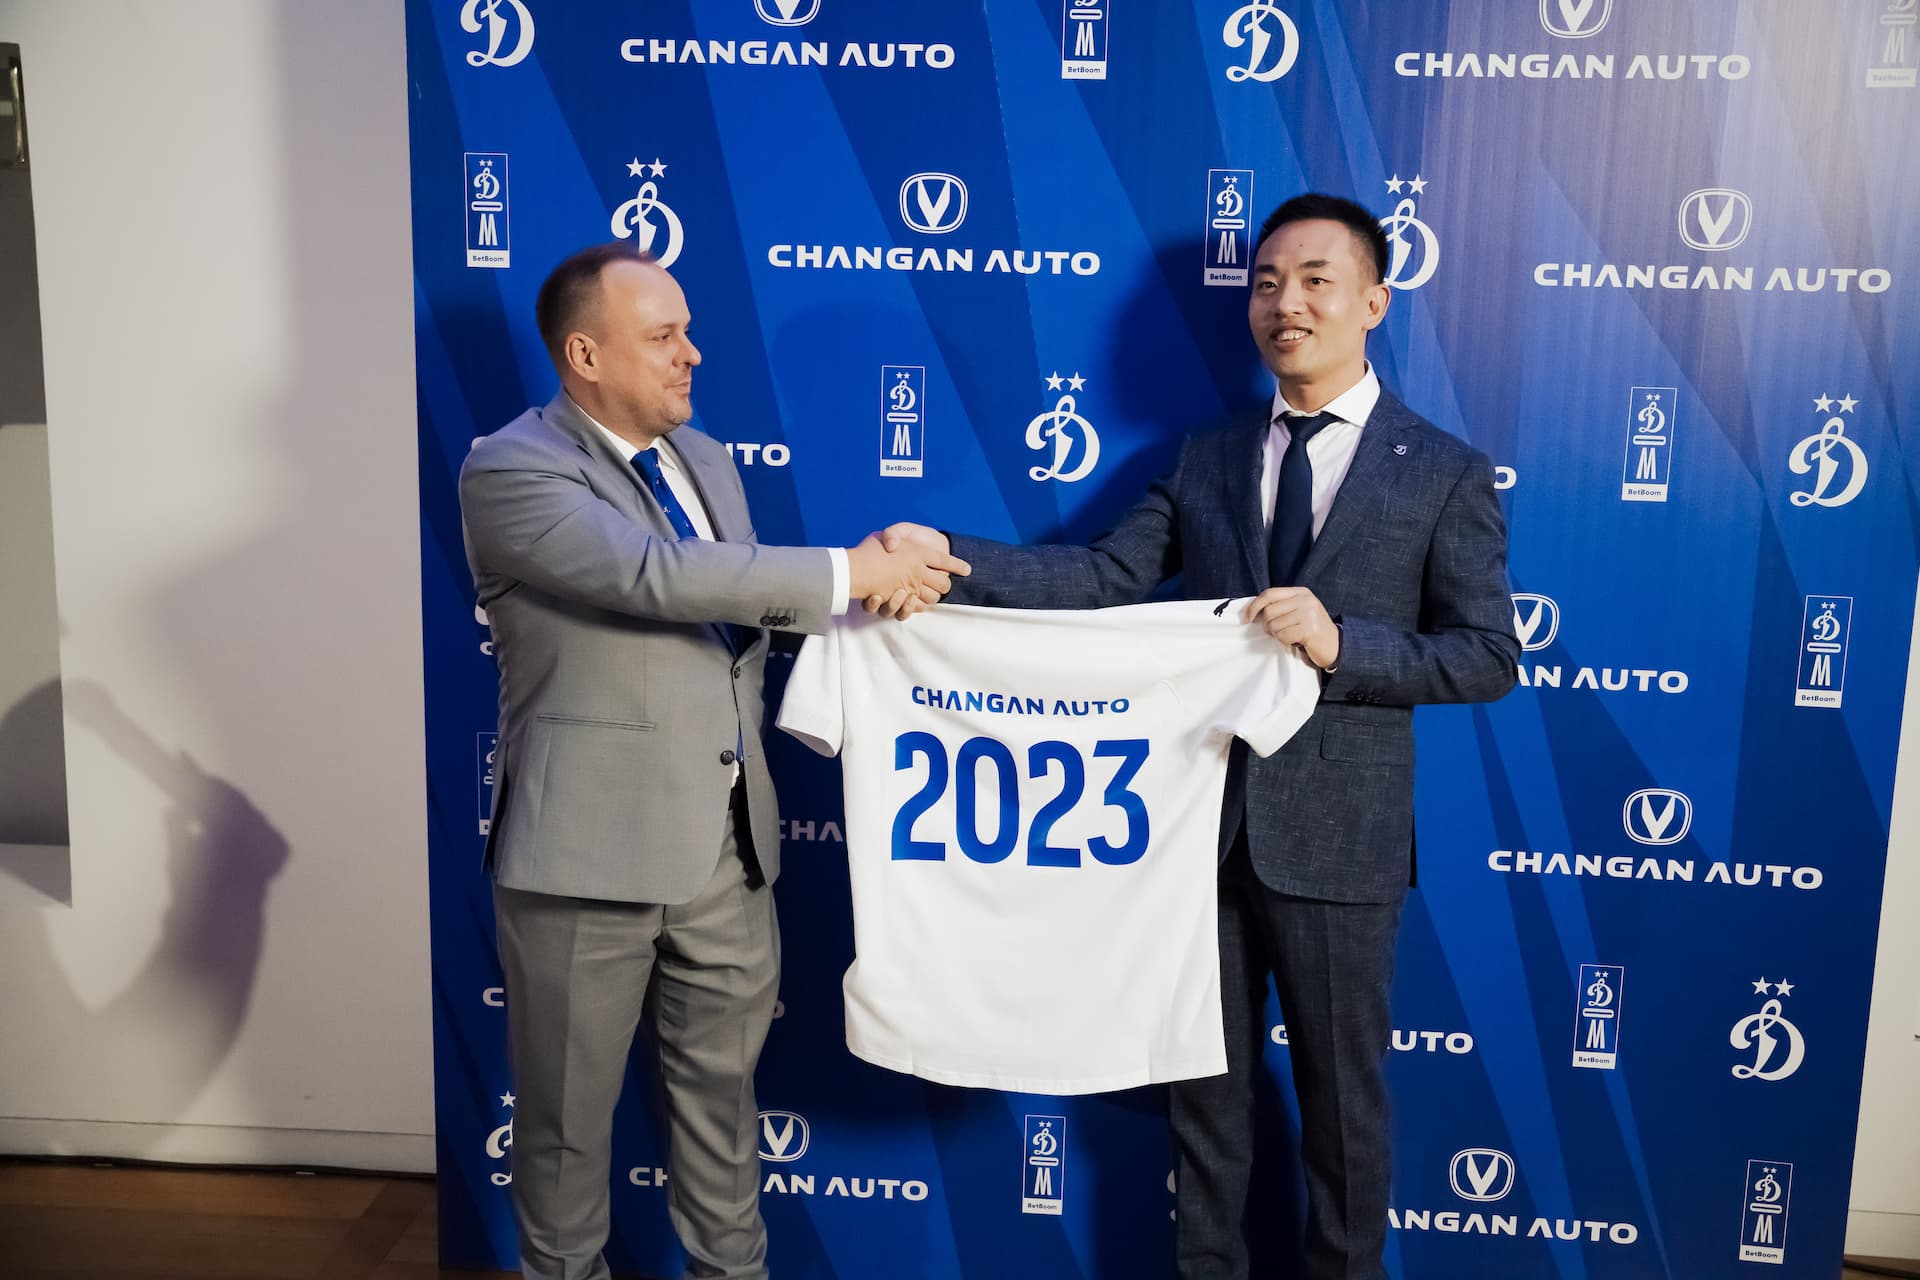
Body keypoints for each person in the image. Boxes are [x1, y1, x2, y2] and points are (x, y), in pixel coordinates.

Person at [878, 193, 1518, 1280]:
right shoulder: (1210, 456)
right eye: (1266, 282)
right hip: (1193, 833)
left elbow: (1487, 654)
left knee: (1343, 1108)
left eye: (1314, 280)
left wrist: (1343, 644)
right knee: (1204, 1106)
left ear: (1375, 301)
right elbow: (1104, 574)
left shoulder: (1444, 470)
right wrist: (947, 554)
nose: (1285, 302)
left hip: (1341, 841)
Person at [459, 243, 968, 1280]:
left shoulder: (710, 461)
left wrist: (884, 581)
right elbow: (652, 575)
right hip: (582, 864)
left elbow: (742, 604)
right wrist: (850, 572)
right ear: (585, 354)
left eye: (687, 331)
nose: (692, 353)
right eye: (664, 336)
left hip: (729, 857)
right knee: (561, 1137)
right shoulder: (511, 467)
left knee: (724, 1122)